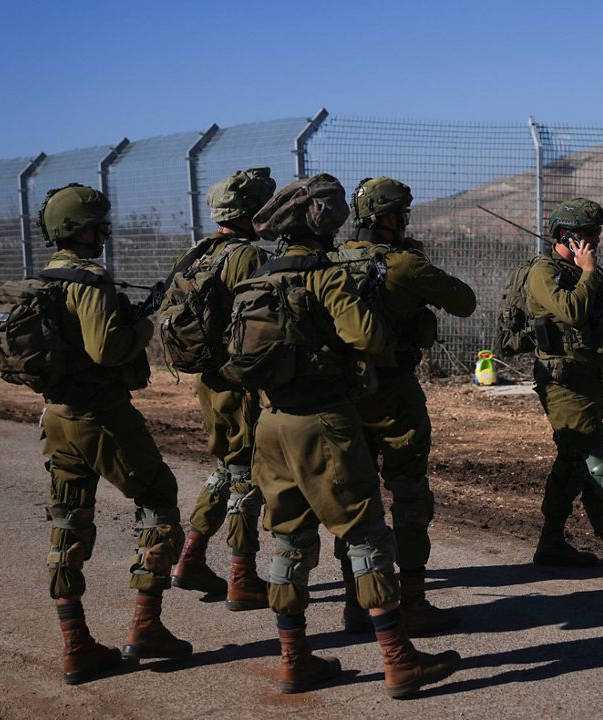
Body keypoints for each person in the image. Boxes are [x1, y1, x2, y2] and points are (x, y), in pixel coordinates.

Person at [230, 174, 460, 697]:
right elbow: (370, 336)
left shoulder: (257, 278)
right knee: (366, 535)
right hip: (323, 423)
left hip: (270, 425)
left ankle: (294, 658)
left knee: (288, 540)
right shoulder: (325, 276)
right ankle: (399, 660)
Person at [34, 184, 191, 683]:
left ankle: (75, 645)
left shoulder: (45, 278)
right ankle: (146, 626)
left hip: (57, 417)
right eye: (100, 225)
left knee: (68, 520)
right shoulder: (91, 280)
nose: (106, 232)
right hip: (101, 415)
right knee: (159, 500)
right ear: (81, 229)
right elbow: (106, 349)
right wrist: (148, 324)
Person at [336, 177, 476, 636]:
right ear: (388, 219)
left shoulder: (330, 263)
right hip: (394, 394)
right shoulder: (403, 264)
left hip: (341, 397)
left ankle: (358, 602)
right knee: (409, 494)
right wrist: (418, 261)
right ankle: (412, 603)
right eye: (403, 215)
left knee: (354, 498)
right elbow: (464, 302)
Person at [167, 168, 276, 612]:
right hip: (239, 381)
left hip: (208, 381)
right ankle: (242, 577)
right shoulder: (245, 257)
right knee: (246, 477)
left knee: (226, 466)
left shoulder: (195, 253)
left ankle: (190, 559)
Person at [525, 198, 603, 581]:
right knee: (598, 464)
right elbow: (572, 313)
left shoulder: (585, 271)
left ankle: (550, 543)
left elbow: (596, 326)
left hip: (591, 381)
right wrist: (589, 272)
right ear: (566, 236)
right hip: (562, 384)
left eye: (597, 234)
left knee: (573, 461)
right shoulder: (544, 272)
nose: (595, 241)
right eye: (588, 235)